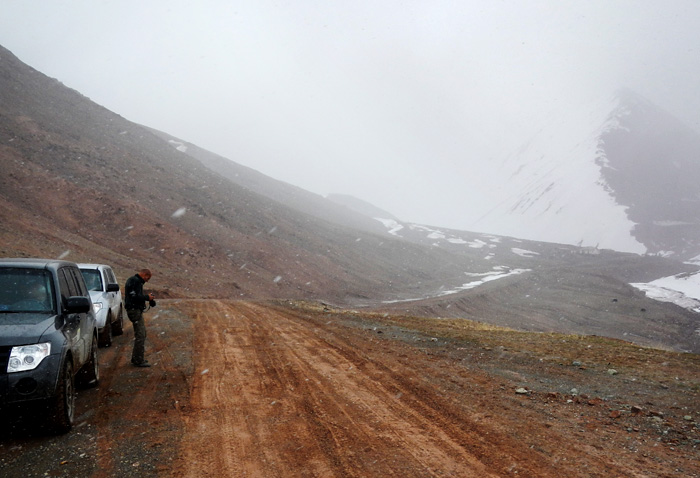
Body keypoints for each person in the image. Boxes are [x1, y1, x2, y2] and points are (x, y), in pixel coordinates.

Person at [124, 268, 156, 367]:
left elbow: (135, 296)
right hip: (134, 310)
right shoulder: (135, 281)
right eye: (148, 278)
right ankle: (138, 360)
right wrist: (147, 298)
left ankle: (137, 358)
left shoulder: (134, 281)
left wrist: (147, 298)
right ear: (144, 275)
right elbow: (134, 297)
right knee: (141, 335)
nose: (147, 280)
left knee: (141, 334)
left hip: (134, 310)